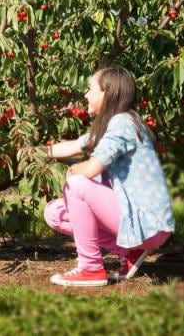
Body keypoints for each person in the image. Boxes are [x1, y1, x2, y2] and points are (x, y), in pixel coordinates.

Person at [42, 65, 174, 287]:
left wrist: (74, 171)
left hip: (149, 224)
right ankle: (128, 250)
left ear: (108, 93)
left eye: (90, 89)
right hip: (139, 221)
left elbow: (92, 168)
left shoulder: (122, 123)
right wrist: (26, 153)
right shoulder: (111, 125)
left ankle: (91, 268)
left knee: (76, 185)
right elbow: (74, 145)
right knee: (55, 213)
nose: (85, 95)